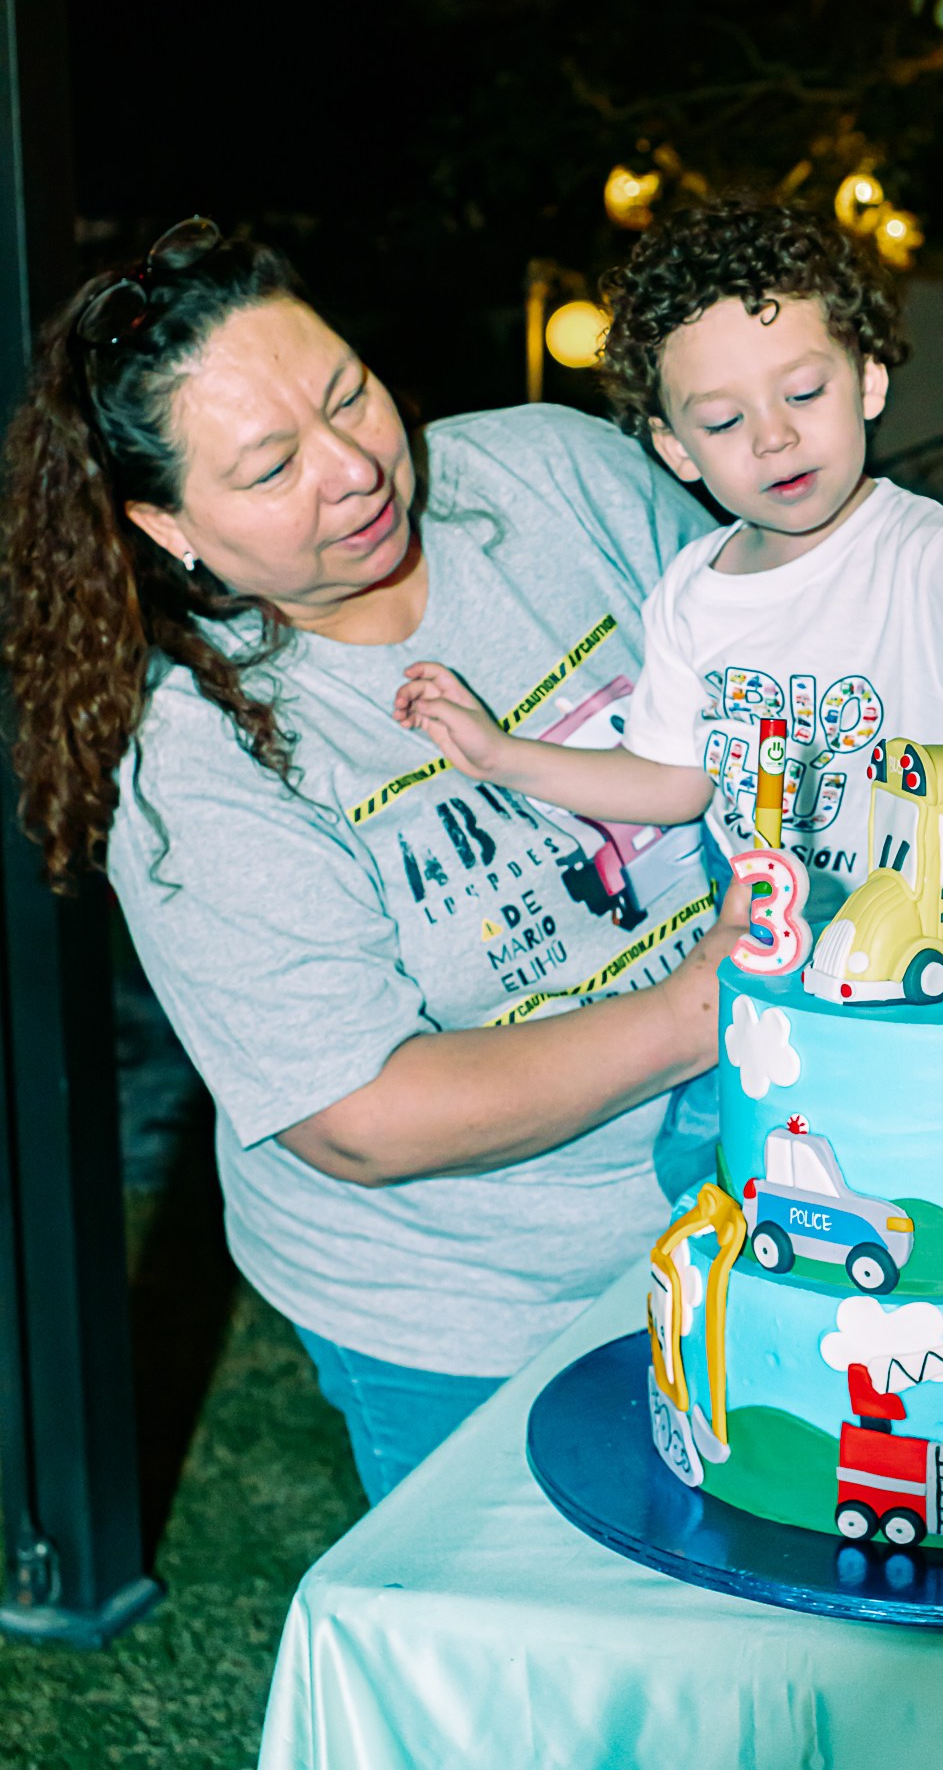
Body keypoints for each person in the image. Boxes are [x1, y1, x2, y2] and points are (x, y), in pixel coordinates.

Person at [0, 217, 749, 1504]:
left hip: (758, 1191)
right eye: (270, 464)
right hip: (470, 1297)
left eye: (348, 394)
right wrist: (705, 1009)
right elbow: (363, 1118)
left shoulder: (554, 474)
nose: (353, 469)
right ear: (166, 522)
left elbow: (778, 677)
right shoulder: (193, 760)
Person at [396, 200, 943, 923]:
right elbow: (674, 783)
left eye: (802, 393)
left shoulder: (919, 553)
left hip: (912, 942)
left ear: (866, 381)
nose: (773, 436)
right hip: (766, 964)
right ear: (676, 448)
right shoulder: (690, 591)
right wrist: (501, 757)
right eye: (722, 421)